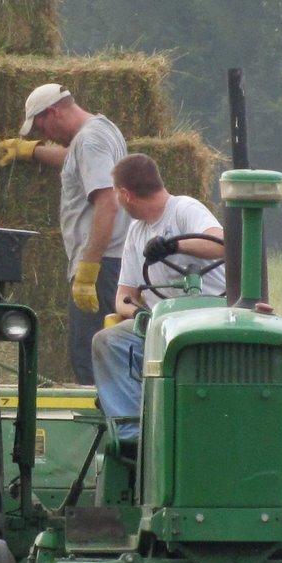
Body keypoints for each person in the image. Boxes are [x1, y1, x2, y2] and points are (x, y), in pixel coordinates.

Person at [0, 83, 128, 384]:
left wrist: (89, 268)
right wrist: (32, 152)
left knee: (91, 360)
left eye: (41, 127)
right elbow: (73, 157)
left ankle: (106, 427)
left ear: (54, 112)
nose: (43, 136)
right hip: (112, 263)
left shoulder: (91, 140)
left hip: (102, 266)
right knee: (102, 354)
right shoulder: (101, 129)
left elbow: (107, 204)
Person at [92, 154, 226, 443]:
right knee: (108, 340)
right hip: (161, 323)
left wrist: (173, 245)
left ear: (125, 194)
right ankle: (133, 433)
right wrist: (145, 316)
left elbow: (221, 243)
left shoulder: (184, 209)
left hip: (211, 315)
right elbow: (123, 298)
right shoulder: (136, 233)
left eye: (116, 193)